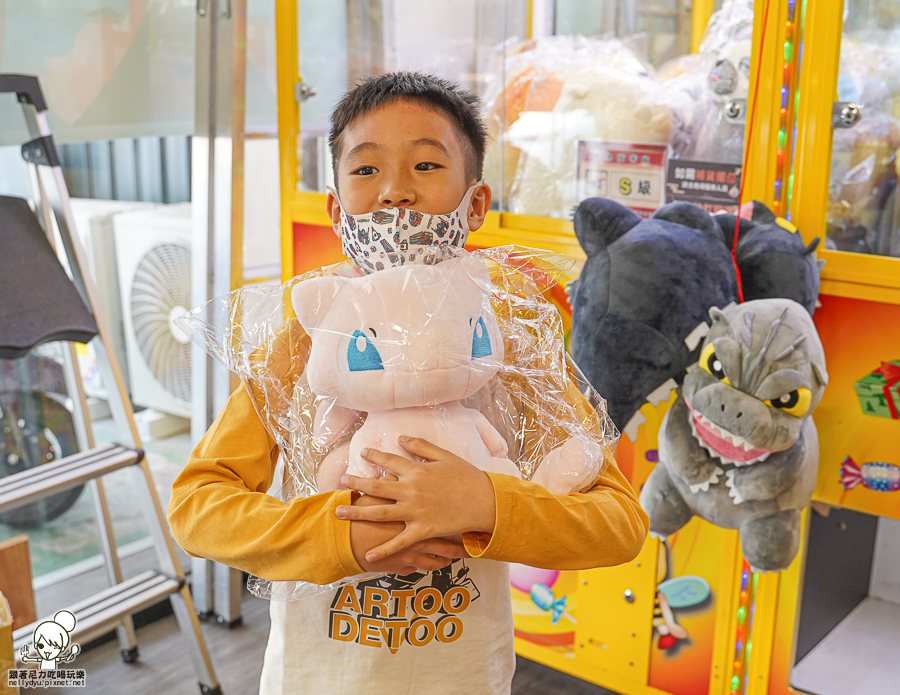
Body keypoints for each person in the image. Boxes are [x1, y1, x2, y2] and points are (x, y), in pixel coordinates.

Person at [168, 71, 648, 695]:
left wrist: (484, 504)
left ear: (475, 204)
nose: (395, 193)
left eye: (426, 165)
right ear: (337, 208)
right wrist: (340, 534)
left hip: (464, 677)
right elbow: (197, 505)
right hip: (318, 678)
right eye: (366, 171)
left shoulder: (504, 338)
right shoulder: (307, 341)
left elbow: (618, 523)